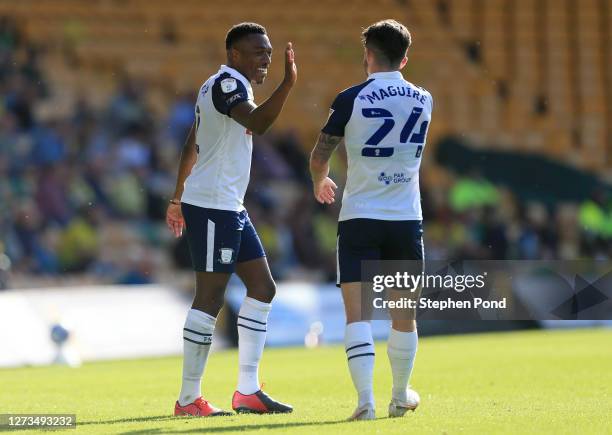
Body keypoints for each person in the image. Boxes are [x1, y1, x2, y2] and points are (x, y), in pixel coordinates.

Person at [166, 22, 296, 417]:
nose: (267, 59)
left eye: (269, 52)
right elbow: (258, 123)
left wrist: (175, 197)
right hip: (210, 205)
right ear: (235, 54)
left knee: (262, 287)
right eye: (259, 52)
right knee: (209, 297)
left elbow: (194, 142)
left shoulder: (221, 87)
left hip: (228, 206)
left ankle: (247, 391)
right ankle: (188, 399)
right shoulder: (227, 87)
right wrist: (288, 85)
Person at [309, 19, 432, 420]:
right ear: (405, 58)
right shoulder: (423, 99)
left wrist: (319, 178)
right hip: (405, 218)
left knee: (358, 315)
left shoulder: (350, 98)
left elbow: (320, 153)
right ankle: (399, 396)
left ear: (367, 56)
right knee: (404, 315)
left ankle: (365, 402)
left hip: (360, 216)